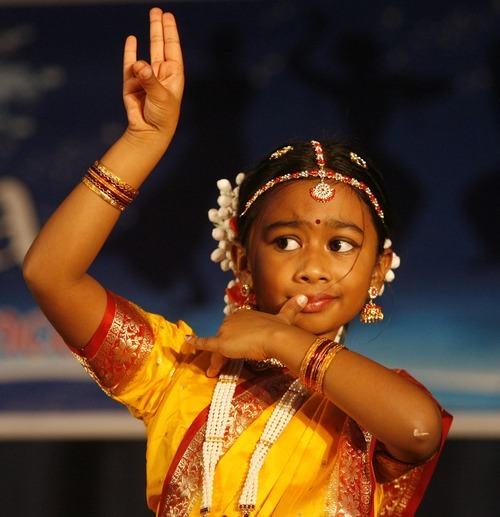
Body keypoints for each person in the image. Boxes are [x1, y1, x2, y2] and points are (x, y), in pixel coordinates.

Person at [23, 7, 452, 517]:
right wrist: (144, 141)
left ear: (379, 271)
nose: (313, 267)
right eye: (286, 242)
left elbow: (420, 429)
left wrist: (281, 339)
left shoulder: (370, 410)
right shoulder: (178, 372)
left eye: (340, 245)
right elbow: (50, 275)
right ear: (243, 262)